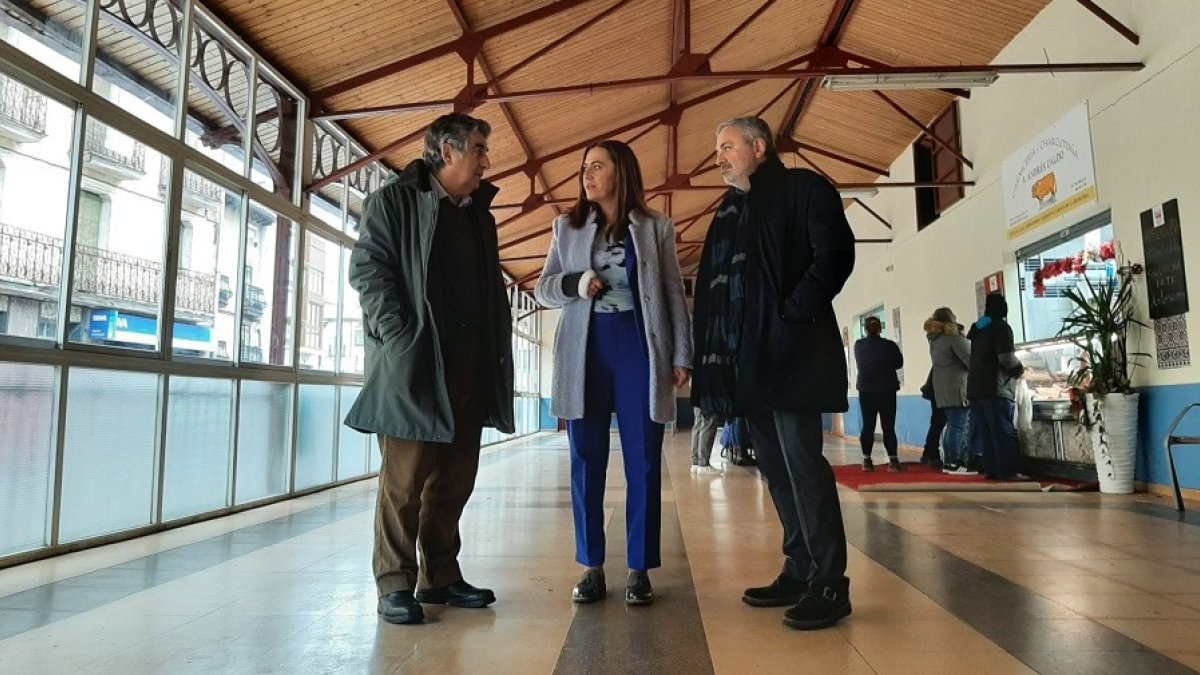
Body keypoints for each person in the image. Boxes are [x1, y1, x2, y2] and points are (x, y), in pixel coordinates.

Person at [344, 113, 515, 626]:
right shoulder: (394, 202)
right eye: (479, 149)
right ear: (447, 151)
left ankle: (439, 575)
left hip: (468, 367)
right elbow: (368, 268)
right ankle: (394, 583)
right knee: (405, 482)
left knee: (454, 480)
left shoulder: (478, 216)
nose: (486, 159)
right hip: (416, 366)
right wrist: (399, 336)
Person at [692, 117, 855, 631]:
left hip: (793, 353)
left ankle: (831, 581)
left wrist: (792, 312)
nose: (719, 156)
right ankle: (800, 565)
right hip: (749, 362)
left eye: (727, 147)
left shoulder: (803, 189)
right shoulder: (732, 209)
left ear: (759, 147)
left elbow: (834, 256)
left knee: (803, 463)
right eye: (717, 148)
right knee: (775, 468)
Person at [534, 140, 692, 607]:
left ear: (621, 172)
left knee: (644, 458)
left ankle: (640, 569)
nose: (587, 175)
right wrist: (575, 283)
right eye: (584, 167)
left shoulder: (656, 228)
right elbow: (544, 288)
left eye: (597, 166)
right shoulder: (567, 227)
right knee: (586, 457)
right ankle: (591, 566)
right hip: (585, 348)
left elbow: (671, 293)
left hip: (639, 347)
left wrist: (682, 353)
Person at [967, 293, 1028, 481]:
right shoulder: (1001, 327)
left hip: (976, 387)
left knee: (986, 433)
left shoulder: (978, 327)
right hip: (995, 387)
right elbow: (1006, 358)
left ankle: (992, 470)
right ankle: (1008, 472)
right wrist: (1020, 370)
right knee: (1002, 432)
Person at [924, 308, 974, 474]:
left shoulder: (935, 340)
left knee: (951, 425)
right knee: (957, 426)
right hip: (957, 387)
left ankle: (949, 462)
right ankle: (954, 462)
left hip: (942, 389)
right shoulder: (954, 339)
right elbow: (971, 361)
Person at [853, 316, 904, 473]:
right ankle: (893, 461)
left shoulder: (859, 345)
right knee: (888, 426)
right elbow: (899, 363)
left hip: (866, 390)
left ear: (865, 328)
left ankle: (867, 460)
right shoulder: (889, 345)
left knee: (868, 425)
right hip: (887, 390)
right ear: (880, 328)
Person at [919, 369, 946, 470]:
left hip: (937, 388)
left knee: (937, 422)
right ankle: (932, 454)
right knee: (939, 422)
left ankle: (929, 453)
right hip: (941, 389)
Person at [691, 408, 725, 475]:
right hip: (707, 400)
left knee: (698, 424)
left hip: (697, 400)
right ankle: (703, 464)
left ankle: (696, 462)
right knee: (708, 423)